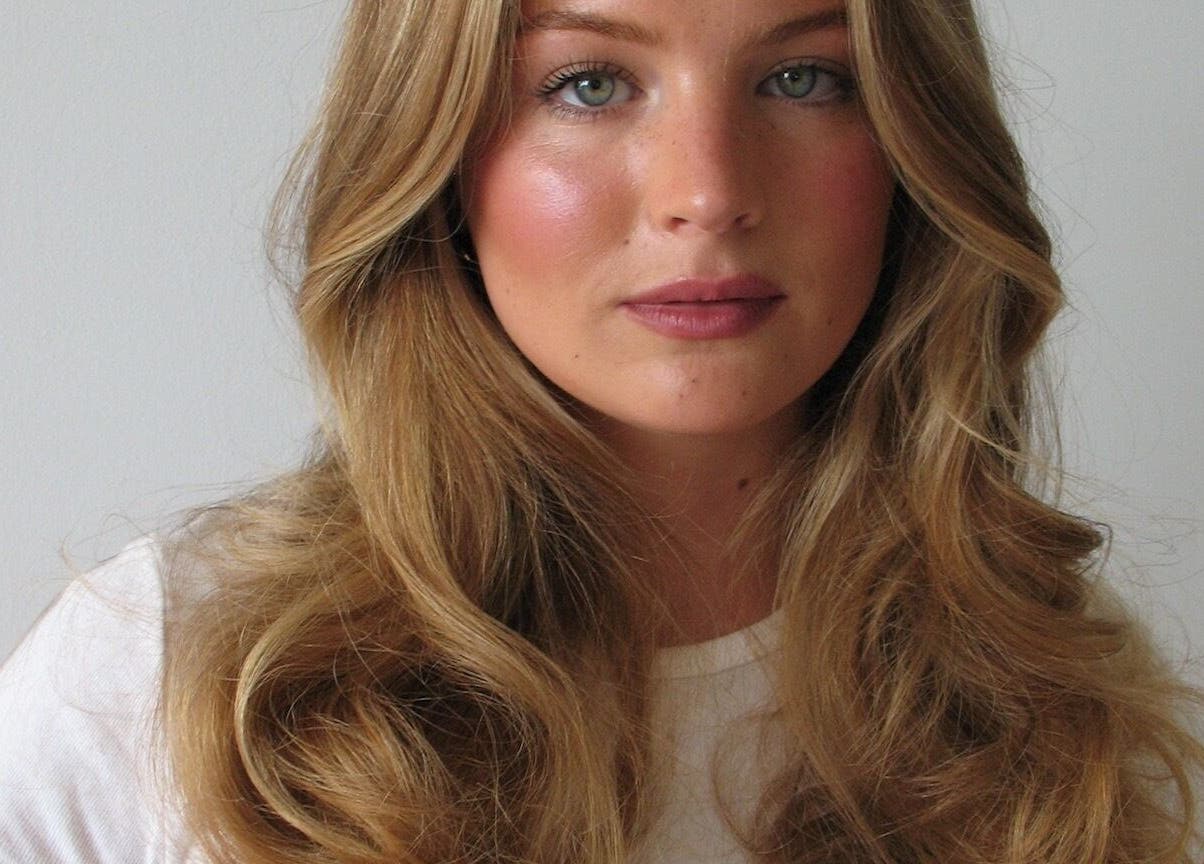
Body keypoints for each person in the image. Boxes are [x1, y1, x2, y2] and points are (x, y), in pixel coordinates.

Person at [1, 0, 1201, 861]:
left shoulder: (1078, 730)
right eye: (588, 82)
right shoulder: (162, 686)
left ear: (912, 150)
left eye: (803, 77)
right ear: (437, 160)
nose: (707, 188)